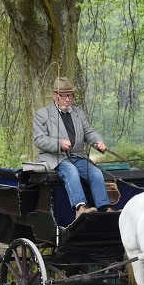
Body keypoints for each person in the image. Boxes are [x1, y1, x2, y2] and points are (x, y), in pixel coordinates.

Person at [32, 76, 114, 220]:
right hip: (56, 157)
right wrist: (59, 144)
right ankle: (80, 208)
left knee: (95, 172)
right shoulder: (42, 114)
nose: (68, 99)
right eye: (63, 96)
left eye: (70, 95)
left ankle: (104, 208)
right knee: (71, 171)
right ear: (54, 95)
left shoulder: (78, 113)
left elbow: (89, 132)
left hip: (77, 156)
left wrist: (98, 142)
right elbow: (39, 139)